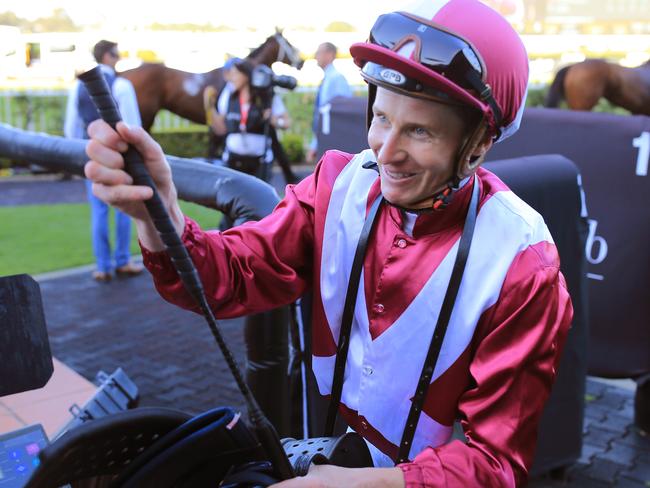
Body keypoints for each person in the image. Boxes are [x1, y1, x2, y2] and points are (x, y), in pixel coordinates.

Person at [83, 0, 573, 485]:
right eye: (381, 117)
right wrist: (161, 215)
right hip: (331, 452)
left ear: (480, 144)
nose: (386, 150)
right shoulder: (336, 182)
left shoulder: (524, 263)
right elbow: (229, 278)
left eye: (419, 131)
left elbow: (495, 464)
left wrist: (365, 484)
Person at [64, 39, 143, 282]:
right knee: (123, 209)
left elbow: (71, 129)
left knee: (98, 212)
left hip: (93, 155)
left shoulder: (78, 87)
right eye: (116, 54)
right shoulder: (121, 85)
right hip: (119, 157)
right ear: (108, 56)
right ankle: (122, 260)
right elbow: (133, 127)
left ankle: (103, 266)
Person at [208, 59, 291, 182]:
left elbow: (287, 123)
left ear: (246, 75)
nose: (231, 78)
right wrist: (209, 105)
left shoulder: (265, 96)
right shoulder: (228, 96)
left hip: (260, 161)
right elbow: (220, 129)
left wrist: (273, 120)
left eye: (235, 73)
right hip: (233, 160)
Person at [306, 42, 352, 164]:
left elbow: (340, 114)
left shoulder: (336, 79)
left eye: (318, 52)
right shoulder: (329, 78)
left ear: (329, 55)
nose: (316, 56)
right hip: (326, 139)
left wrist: (315, 144)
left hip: (332, 141)